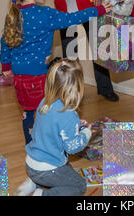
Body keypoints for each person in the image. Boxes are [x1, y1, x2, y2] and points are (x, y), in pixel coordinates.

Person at [0, 0, 111, 144]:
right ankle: (45, 147)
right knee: (45, 112)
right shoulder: (44, 14)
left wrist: (6, 67)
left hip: (18, 76)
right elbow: (74, 18)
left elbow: (4, 40)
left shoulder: (14, 14)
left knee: (28, 113)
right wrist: (99, 10)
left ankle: (32, 146)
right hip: (37, 75)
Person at [14, 59, 92, 196]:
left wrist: (77, 124)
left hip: (31, 163)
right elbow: (72, 148)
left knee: (66, 167)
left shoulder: (44, 102)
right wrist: (86, 133)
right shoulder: (68, 114)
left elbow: (52, 125)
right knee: (79, 185)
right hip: (47, 169)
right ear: (77, 88)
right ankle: (41, 194)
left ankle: (32, 183)